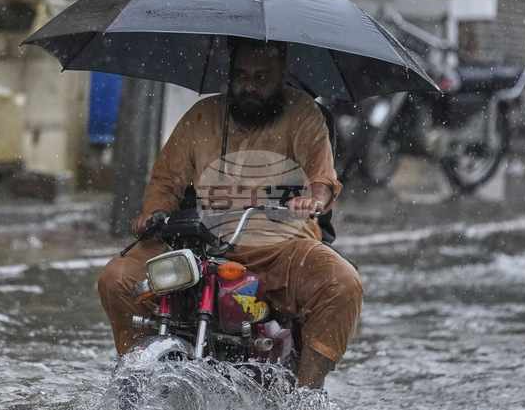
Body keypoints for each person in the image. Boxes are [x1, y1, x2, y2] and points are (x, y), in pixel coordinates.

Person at [97, 38, 364, 389]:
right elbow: (165, 179)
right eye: (241, 75)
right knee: (117, 276)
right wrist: (155, 213)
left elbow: (322, 178)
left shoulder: (304, 115)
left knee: (342, 284)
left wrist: (312, 199)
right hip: (202, 246)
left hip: (283, 246)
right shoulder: (200, 117)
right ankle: (139, 382)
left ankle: (306, 399)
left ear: (283, 74)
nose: (249, 84)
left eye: (261, 76)